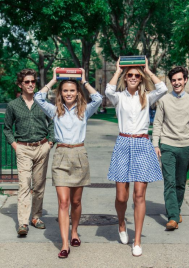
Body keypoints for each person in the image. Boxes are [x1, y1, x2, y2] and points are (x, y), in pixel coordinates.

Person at [34, 68, 102, 259]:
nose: (69, 94)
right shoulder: (55, 110)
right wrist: (54, 80)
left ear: (77, 92)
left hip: (80, 154)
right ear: (60, 93)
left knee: (76, 201)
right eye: (65, 91)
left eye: (72, 90)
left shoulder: (85, 111)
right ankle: (65, 244)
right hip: (61, 155)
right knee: (63, 202)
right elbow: (39, 98)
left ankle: (74, 232)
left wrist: (84, 81)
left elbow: (98, 99)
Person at [105, 57, 167, 257]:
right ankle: (121, 223)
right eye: (129, 75)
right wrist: (117, 70)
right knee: (121, 197)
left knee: (139, 195)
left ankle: (137, 240)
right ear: (125, 77)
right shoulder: (119, 97)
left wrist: (147, 69)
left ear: (140, 79)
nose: (133, 77)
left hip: (142, 144)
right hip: (123, 143)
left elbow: (163, 89)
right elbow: (107, 91)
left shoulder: (147, 97)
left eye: (136, 75)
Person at [3, 69, 54, 236]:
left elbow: (53, 121)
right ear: (20, 84)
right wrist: (15, 145)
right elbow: (7, 128)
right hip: (23, 148)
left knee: (39, 185)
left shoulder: (42, 102)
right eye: (27, 82)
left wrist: (50, 142)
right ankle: (23, 222)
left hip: (42, 147)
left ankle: (36, 217)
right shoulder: (13, 105)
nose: (31, 84)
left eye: (33, 81)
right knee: (24, 185)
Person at [152, 66, 189, 230]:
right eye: (174, 80)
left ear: (185, 80)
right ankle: (173, 217)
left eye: (180, 79)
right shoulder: (164, 100)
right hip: (167, 146)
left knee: (180, 183)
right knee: (170, 182)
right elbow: (157, 123)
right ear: (171, 82)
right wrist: (155, 144)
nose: (177, 83)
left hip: (185, 146)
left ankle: (176, 210)